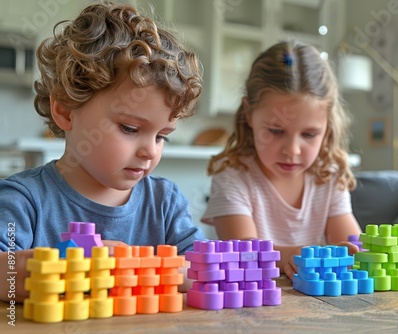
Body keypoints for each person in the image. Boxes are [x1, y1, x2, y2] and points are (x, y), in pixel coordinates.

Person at [0, 2, 205, 303]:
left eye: (162, 137)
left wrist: (139, 268)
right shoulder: (24, 200)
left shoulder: (165, 204)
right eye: (130, 129)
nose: (150, 151)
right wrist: (72, 264)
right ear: (66, 111)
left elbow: (201, 269)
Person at [201, 40, 362, 280]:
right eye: (276, 131)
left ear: (328, 125)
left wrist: (363, 253)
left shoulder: (329, 174)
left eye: (309, 134)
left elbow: (350, 246)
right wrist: (288, 256)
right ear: (248, 114)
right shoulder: (233, 176)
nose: (293, 151)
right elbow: (242, 254)